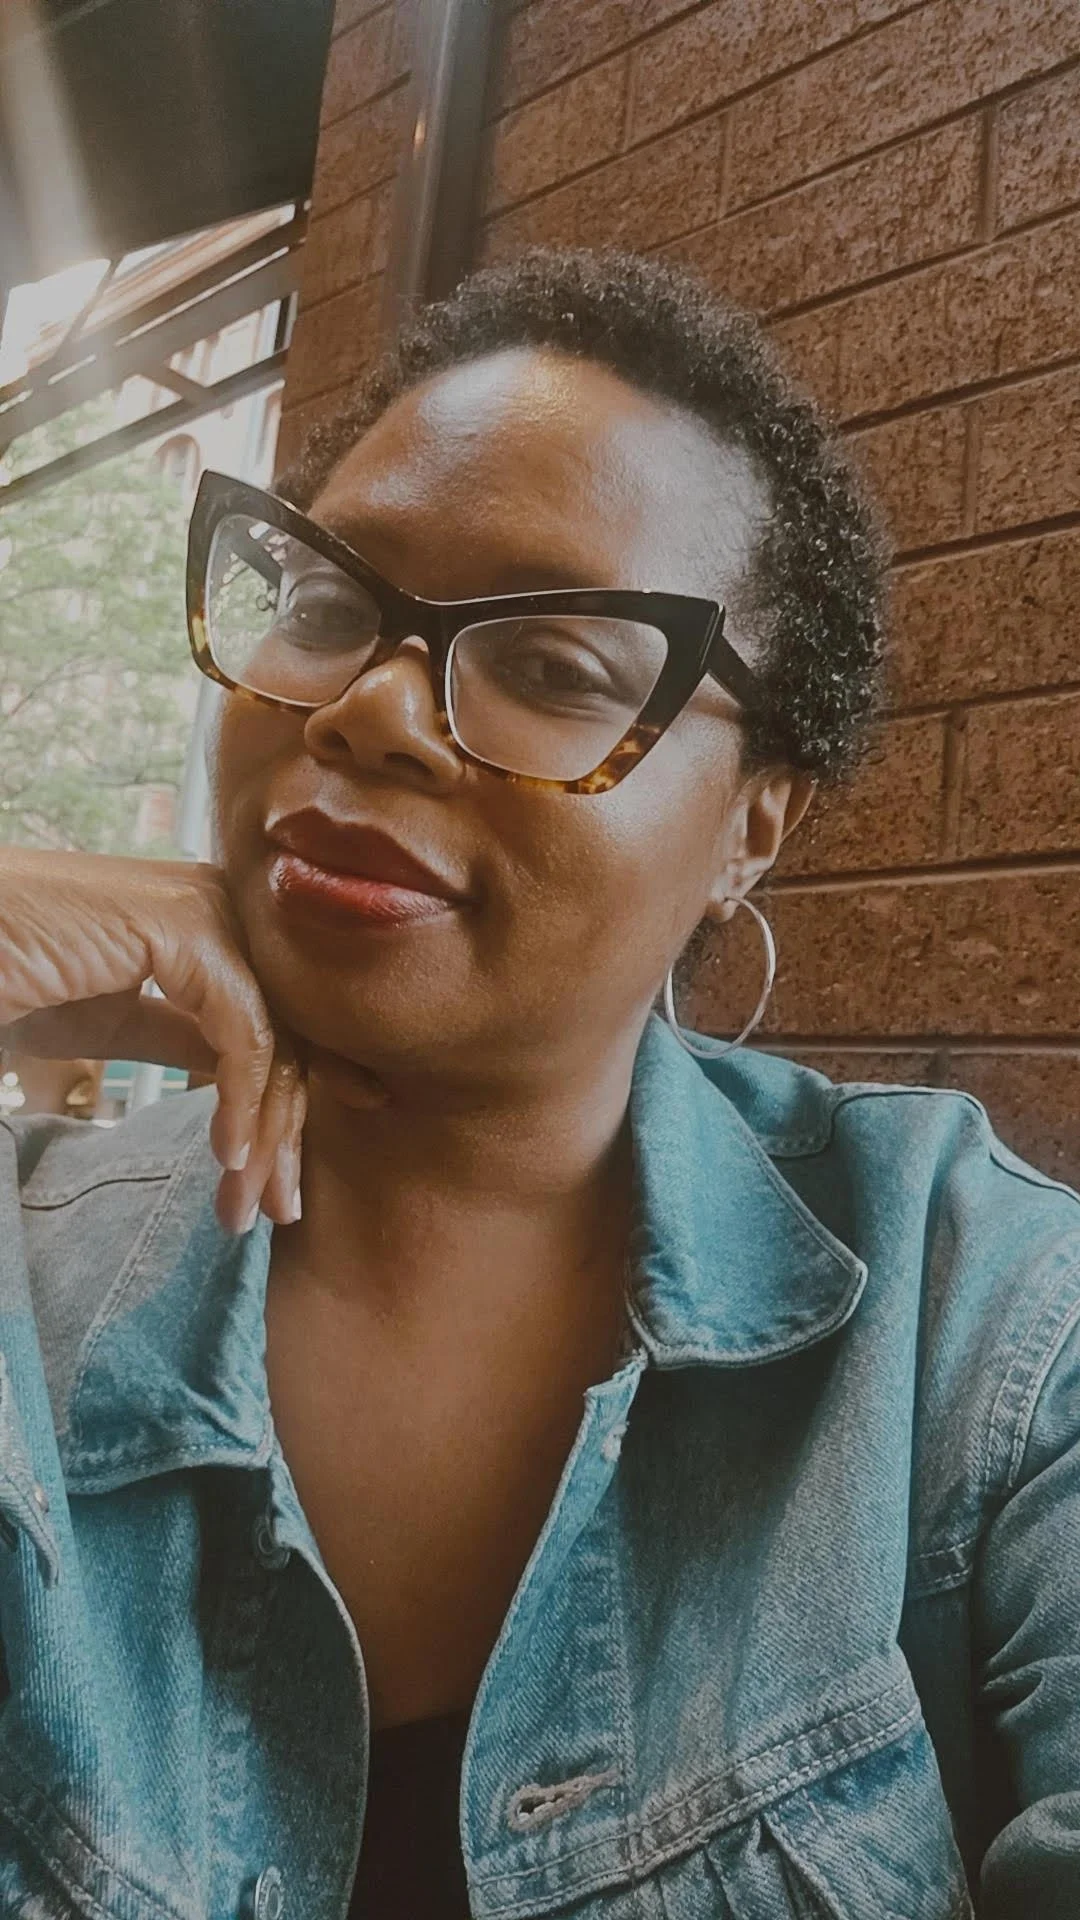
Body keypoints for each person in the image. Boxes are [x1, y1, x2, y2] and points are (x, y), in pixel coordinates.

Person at [0, 247, 1076, 1920]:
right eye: (326, 598)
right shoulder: (19, 1279)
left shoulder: (985, 1328)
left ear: (750, 826)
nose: (367, 705)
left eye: (559, 665)